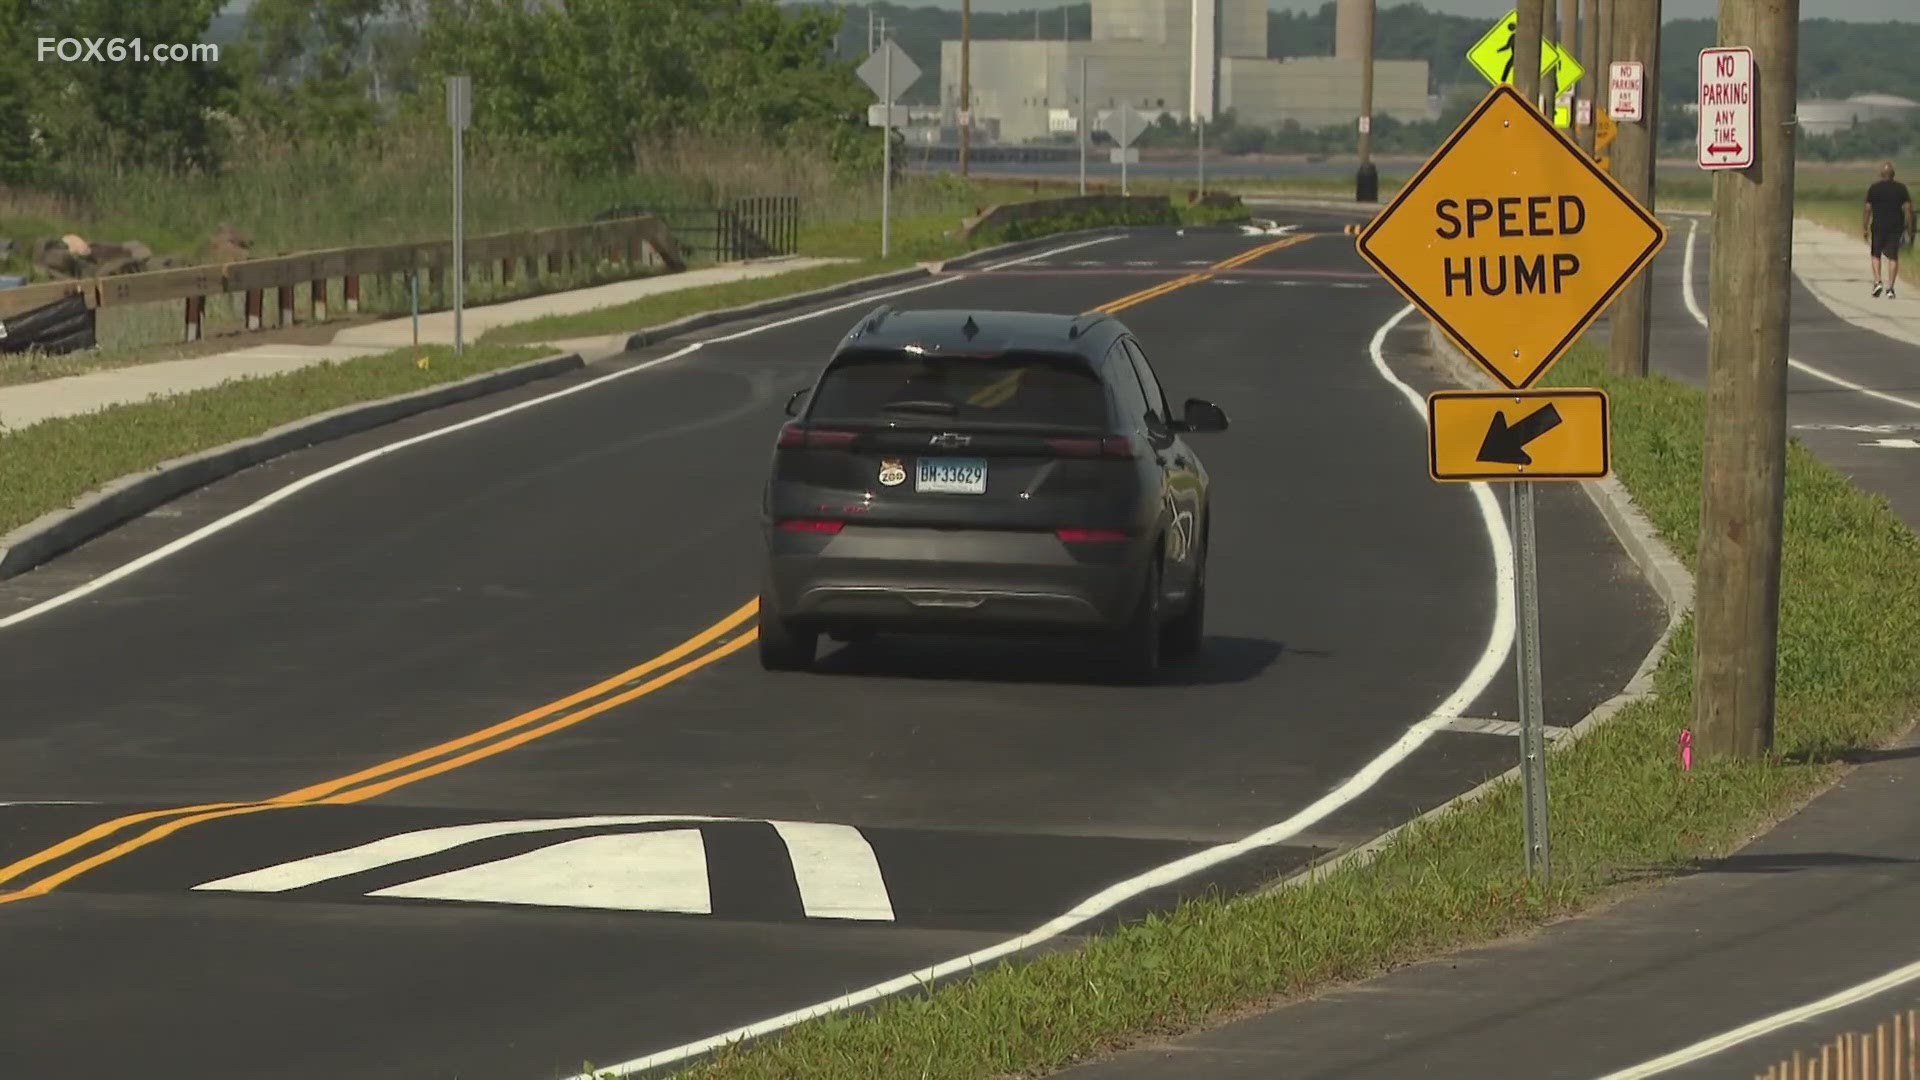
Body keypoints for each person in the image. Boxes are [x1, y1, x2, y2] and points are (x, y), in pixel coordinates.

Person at [1864, 162, 1914, 299]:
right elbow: (1908, 209)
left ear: (1881, 174)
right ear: (1893, 174)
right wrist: (1910, 227)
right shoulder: (1901, 188)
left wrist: (1865, 227)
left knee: (1875, 254)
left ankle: (1878, 281)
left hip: (1878, 226)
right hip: (1895, 226)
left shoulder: (1874, 188)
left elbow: (1868, 208)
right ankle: (1890, 288)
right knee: (1893, 256)